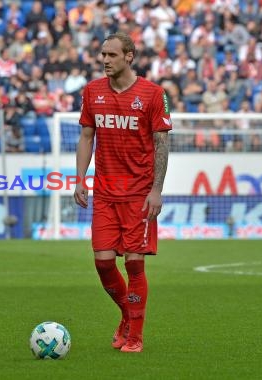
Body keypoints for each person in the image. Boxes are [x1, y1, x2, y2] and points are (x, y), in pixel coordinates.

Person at [74, 33, 171, 353]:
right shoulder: (92, 91)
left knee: (134, 264)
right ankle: (128, 316)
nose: (105, 60)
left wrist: (156, 190)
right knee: (103, 263)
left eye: (112, 55)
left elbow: (161, 143)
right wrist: (79, 179)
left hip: (138, 194)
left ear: (129, 56)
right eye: (103, 54)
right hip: (105, 192)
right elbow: (87, 136)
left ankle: (135, 335)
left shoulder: (154, 94)